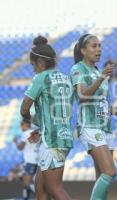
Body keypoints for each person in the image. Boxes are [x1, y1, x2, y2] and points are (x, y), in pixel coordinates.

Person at [71, 33, 117, 200]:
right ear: (83, 50)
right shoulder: (78, 69)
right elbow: (82, 95)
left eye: (99, 46)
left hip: (106, 128)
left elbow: (108, 108)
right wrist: (101, 77)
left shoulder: (100, 73)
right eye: (94, 46)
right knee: (110, 171)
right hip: (90, 127)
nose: (98, 49)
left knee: (103, 178)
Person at [20, 36, 74, 200]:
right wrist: (41, 128)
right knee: (40, 188)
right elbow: (57, 111)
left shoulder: (40, 78)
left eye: (33, 65)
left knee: (54, 188)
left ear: (41, 63)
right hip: (62, 136)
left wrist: (27, 119)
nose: (33, 70)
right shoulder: (66, 78)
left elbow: (25, 107)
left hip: (52, 140)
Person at [13, 120, 39, 200]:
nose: (21, 128)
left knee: (26, 184)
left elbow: (20, 147)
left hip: (30, 162)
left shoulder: (26, 133)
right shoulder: (35, 133)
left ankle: (35, 194)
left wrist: (16, 142)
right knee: (34, 182)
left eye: (21, 126)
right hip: (38, 161)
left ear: (23, 125)